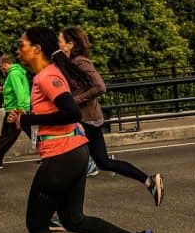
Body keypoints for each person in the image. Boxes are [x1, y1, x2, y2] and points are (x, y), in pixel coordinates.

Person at [10, 26, 153, 233]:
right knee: (73, 219)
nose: (19, 50)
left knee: (36, 223)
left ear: (37, 48)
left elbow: (71, 112)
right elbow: (59, 112)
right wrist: (28, 117)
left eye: (22, 45)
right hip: (75, 152)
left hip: (61, 156)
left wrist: (26, 121)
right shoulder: (50, 74)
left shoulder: (47, 76)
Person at [59, 26, 163, 204]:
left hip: (87, 120)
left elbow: (100, 86)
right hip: (86, 119)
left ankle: (62, 213)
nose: (58, 44)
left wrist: (75, 100)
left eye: (60, 41)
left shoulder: (80, 62)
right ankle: (149, 181)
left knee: (72, 166)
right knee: (102, 162)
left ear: (70, 44)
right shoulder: (71, 62)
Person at [0, 54, 31, 170]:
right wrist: (2, 89)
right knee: (23, 134)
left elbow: (20, 93)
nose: (1, 69)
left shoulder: (13, 74)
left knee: (7, 137)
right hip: (17, 109)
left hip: (14, 110)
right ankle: (48, 156)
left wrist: (20, 111)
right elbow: (15, 90)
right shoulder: (15, 73)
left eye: (0, 66)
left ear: (5, 64)